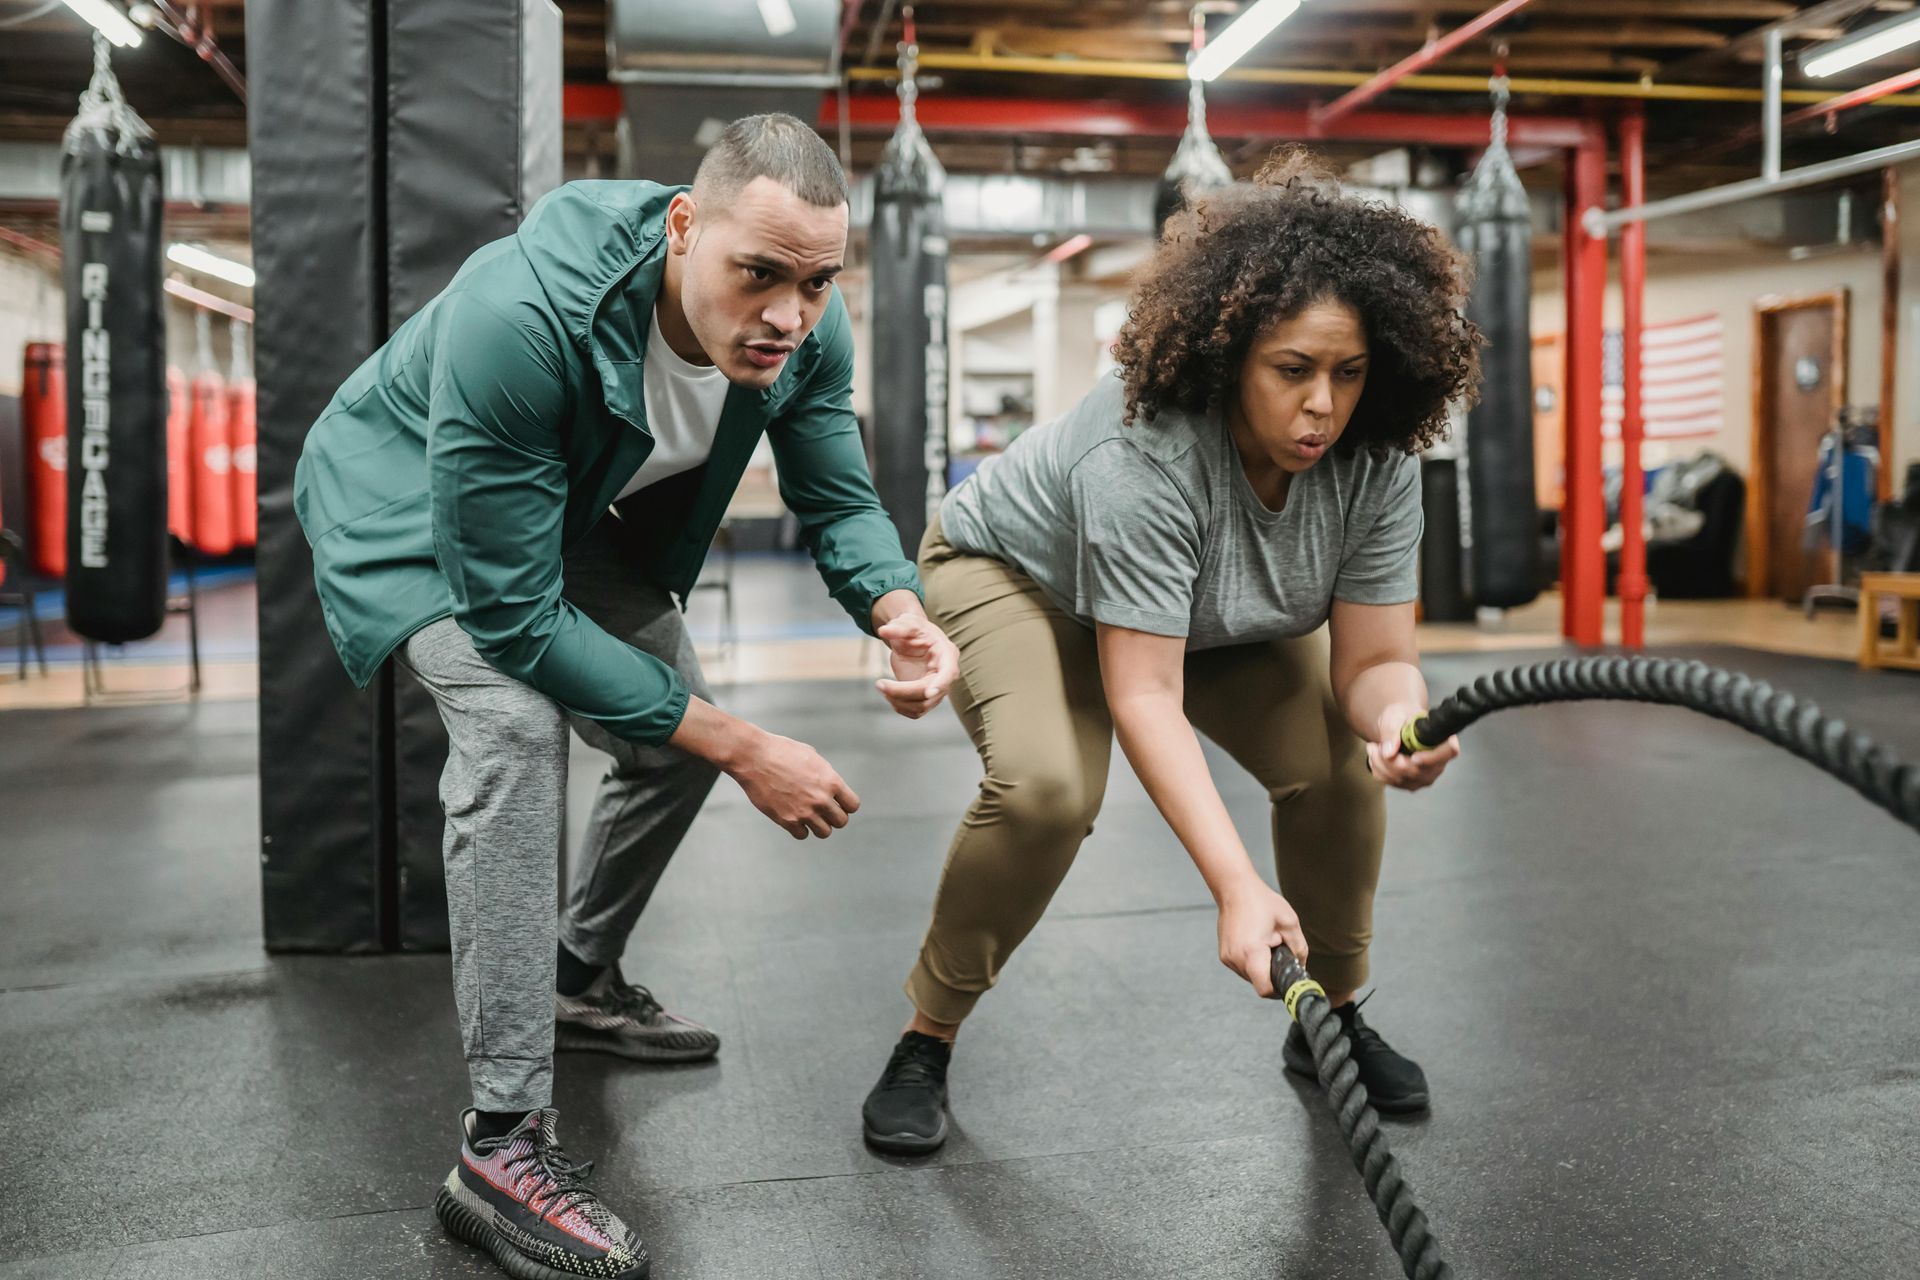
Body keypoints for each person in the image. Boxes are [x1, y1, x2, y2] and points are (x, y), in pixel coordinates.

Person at [296, 114, 957, 1279]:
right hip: (401, 500)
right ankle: (499, 1146)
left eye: (814, 282)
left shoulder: (804, 319)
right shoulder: (522, 311)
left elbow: (837, 491)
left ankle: (576, 974)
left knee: (675, 733)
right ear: (683, 228)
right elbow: (510, 616)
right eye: (758, 275)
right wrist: (748, 742)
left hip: (553, 501)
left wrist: (896, 605)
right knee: (512, 724)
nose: (787, 315)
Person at [860, 153, 1479, 1155]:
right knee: (1048, 789)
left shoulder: (1377, 456)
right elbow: (1144, 693)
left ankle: (1331, 1018)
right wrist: (1237, 887)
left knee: (1336, 764)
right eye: (1293, 370)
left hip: (1204, 612)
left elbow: (1372, 660)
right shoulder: (1144, 446)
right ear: (1233, 356)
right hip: (1020, 577)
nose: (1323, 404)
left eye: (1349, 372)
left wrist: (1396, 721)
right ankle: (925, 1037)